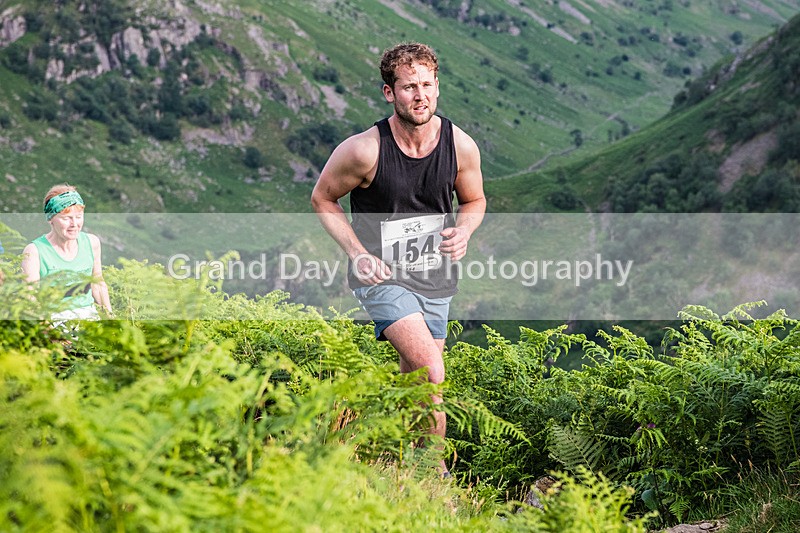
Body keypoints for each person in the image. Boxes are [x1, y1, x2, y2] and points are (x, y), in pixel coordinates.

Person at [311, 42, 486, 476]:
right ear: (390, 92)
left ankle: (401, 468)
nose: (420, 95)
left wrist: (464, 231)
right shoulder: (364, 150)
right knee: (432, 371)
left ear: (437, 86)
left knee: (416, 387)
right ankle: (437, 475)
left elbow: (475, 200)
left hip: (437, 278)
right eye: (409, 87)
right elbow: (322, 198)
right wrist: (357, 254)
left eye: (427, 85)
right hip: (382, 277)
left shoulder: (460, 146)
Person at [21, 184, 112, 321]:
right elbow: (30, 300)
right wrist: (49, 331)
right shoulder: (34, 252)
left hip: (90, 321)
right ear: (51, 219)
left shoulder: (92, 243)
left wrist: (111, 320)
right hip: (53, 322)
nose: (74, 224)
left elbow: (97, 284)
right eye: (66, 218)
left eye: (78, 216)